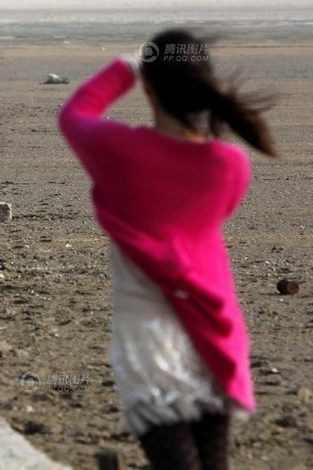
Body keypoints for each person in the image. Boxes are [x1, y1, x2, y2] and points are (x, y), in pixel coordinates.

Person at [58, 29, 276, 470]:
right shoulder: (231, 165)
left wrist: (131, 64)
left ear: (150, 90)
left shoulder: (118, 151)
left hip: (150, 338)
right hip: (214, 329)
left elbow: (75, 113)